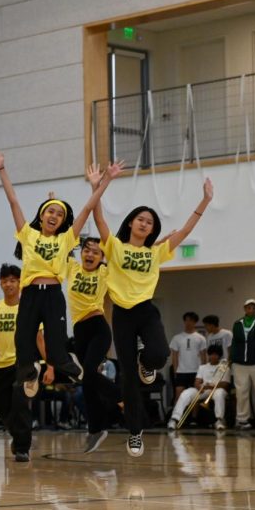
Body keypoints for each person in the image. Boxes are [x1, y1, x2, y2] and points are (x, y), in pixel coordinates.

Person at [93, 177, 213, 457]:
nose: (144, 223)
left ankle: (146, 364)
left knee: (159, 355)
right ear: (131, 223)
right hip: (122, 314)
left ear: (152, 228)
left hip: (146, 311)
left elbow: (185, 230)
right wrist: (98, 186)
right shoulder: (114, 246)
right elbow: (98, 218)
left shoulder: (157, 251)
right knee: (127, 379)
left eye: (149, 221)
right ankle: (135, 433)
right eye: (140, 219)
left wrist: (205, 200)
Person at [0, 152, 122, 399]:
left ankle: (65, 363)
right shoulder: (28, 234)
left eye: (59, 214)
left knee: (56, 340)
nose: (54, 216)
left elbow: (89, 207)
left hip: (52, 294)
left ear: (63, 222)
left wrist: (105, 182)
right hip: (29, 294)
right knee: (23, 339)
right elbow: (14, 202)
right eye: (50, 212)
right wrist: (2, 170)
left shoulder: (66, 239)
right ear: (42, 216)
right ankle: (29, 374)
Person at [0, 264, 35, 462]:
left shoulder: (28, 308)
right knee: (1, 407)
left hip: (23, 364)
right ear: (0, 283)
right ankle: (18, 435)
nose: (9, 284)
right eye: (5, 280)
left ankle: (22, 448)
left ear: (20, 283)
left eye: (13, 280)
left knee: (20, 404)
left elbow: (40, 337)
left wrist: (51, 365)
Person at [65, 237, 115, 453]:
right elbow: (61, 240)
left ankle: (123, 398)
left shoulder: (104, 273)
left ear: (101, 258)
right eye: (87, 250)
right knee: (87, 382)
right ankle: (96, 429)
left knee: (91, 374)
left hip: (98, 328)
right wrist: (52, 201)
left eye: (96, 252)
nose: (90, 254)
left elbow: (123, 253)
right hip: (79, 331)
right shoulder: (72, 268)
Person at [168, 344, 231, 431]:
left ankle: (219, 420)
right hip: (204, 389)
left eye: (216, 354)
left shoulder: (224, 367)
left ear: (219, 356)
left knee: (219, 393)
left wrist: (211, 386)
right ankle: (174, 419)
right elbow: (197, 382)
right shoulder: (203, 367)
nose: (213, 356)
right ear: (208, 355)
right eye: (211, 354)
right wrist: (199, 387)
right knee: (185, 393)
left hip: (216, 390)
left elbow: (225, 384)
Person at [230, 299, 255, 430]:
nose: (250, 309)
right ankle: (242, 419)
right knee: (241, 392)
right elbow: (234, 343)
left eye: (253, 307)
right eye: (248, 307)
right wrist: (232, 359)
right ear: (244, 309)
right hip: (240, 364)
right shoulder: (237, 324)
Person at [169, 312, 207, 403]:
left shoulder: (201, 338)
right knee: (178, 396)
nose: (188, 322)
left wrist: (203, 373)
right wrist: (175, 371)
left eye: (191, 320)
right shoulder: (176, 338)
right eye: (186, 320)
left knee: (196, 397)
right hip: (181, 371)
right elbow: (174, 356)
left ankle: (194, 417)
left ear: (195, 322)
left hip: (196, 372)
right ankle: (176, 416)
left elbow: (203, 356)